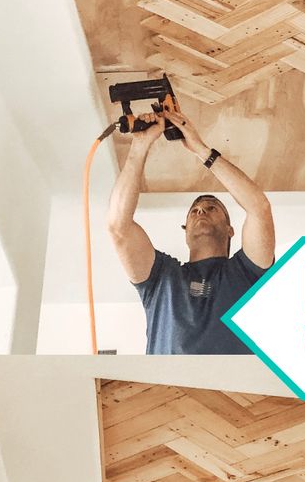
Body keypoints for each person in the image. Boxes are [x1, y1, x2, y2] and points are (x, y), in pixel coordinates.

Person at [107, 105, 275, 355]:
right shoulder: (160, 279)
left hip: (233, 393)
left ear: (231, 230)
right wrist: (140, 145)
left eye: (212, 207)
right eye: (194, 210)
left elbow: (259, 208)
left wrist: (201, 150)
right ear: (185, 231)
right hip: (169, 393)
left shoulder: (247, 273)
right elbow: (118, 226)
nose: (200, 212)